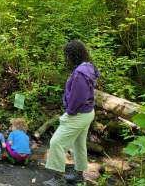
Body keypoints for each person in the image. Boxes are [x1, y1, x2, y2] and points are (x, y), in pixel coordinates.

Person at [43, 40, 99, 186]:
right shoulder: (88, 67)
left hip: (78, 114)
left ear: (73, 55)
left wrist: (70, 111)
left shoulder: (80, 73)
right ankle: (79, 175)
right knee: (78, 144)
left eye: (67, 55)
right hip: (88, 112)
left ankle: (58, 178)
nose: (66, 58)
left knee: (56, 142)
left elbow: (78, 97)